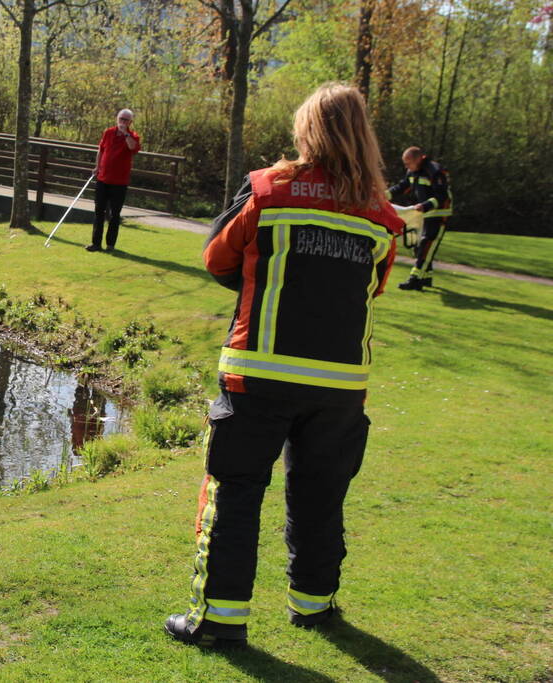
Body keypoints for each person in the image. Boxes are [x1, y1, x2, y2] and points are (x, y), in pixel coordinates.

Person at [164, 83, 404, 648]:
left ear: (306, 130)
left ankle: (220, 621)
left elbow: (216, 257)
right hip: (340, 388)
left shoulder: (268, 189)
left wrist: (260, 277)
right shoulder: (384, 218)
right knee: (322, 495)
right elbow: (374, 289)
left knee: (236, 492)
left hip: (258, 375)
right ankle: (314, 606)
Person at [387, 147, 452, 290]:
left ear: (418, 159)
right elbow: (402, 187)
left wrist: (425, 205)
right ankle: (426, 277)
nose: (406, 166)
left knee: (427, 245)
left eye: (408, 163)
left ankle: (415, 278)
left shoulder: (434, 171)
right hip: (424, 214)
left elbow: (442, 197)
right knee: (419, 246)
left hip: (439, 214)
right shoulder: (413, 171)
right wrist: (384, 196)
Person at [87, 109, 141, 252]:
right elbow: (101, 150)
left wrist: (126, 134)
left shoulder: (133, 136)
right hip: (103, 178)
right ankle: (96, 243)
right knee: (99, 211)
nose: (122, 122)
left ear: (130, 122)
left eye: (126, 120)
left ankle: (110, 244)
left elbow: (133, 147)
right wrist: (97, 166)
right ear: (117, 119)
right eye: (121, 119)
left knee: (114, 214)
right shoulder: (108, 132)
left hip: (119, 182)